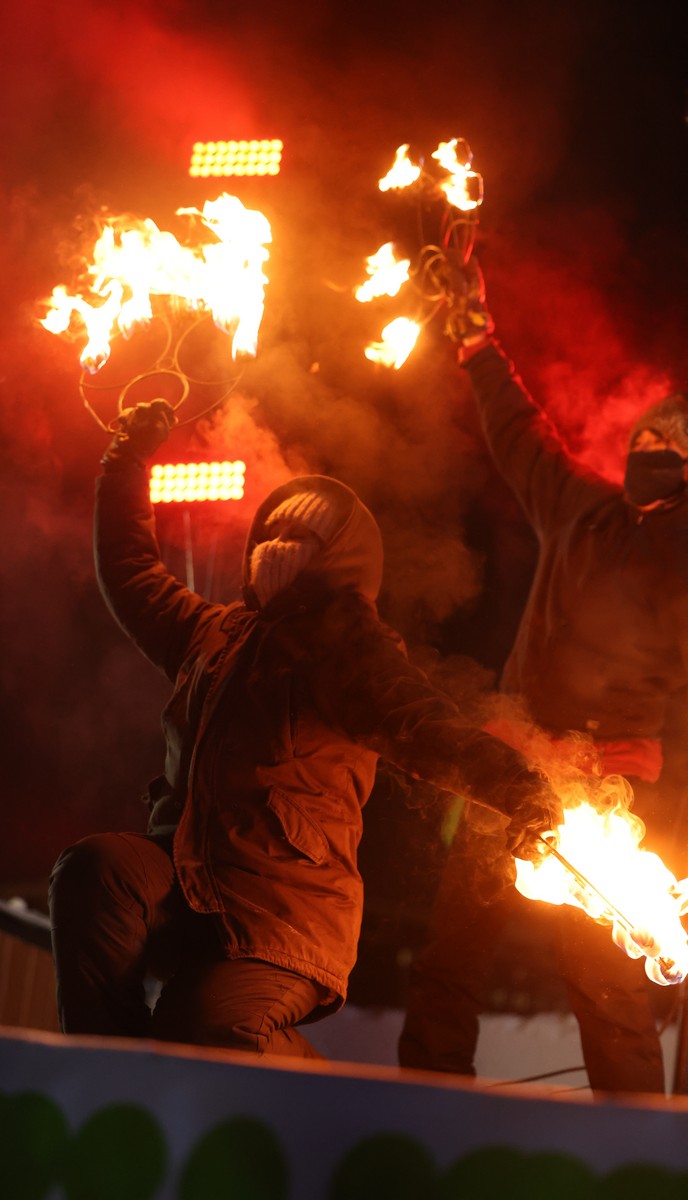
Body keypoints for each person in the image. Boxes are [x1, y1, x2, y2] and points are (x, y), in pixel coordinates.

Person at [48, 398, 562, 1060]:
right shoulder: (213, 634)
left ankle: (313, 1096)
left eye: (302, 539)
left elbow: (428, 728)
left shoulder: (350, 650)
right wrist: (126, 460)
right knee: (96, 869)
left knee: (199, 1020)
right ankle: (106, 1074)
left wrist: (523, 789)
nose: (275, 549)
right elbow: (129, 570)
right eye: (270, 533)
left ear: (339, 561)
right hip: (189, 880)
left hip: (283, 917)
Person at [398, 260, 688, 1093]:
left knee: (605, 980)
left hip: (610, 790)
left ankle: (635, 1143)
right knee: (452, 952)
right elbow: (517, 430)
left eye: (667, 447)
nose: (647, 453)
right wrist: (475, 341)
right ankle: (425, 1101)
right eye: (641, 440)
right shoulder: (578, 505)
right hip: (511, 761)